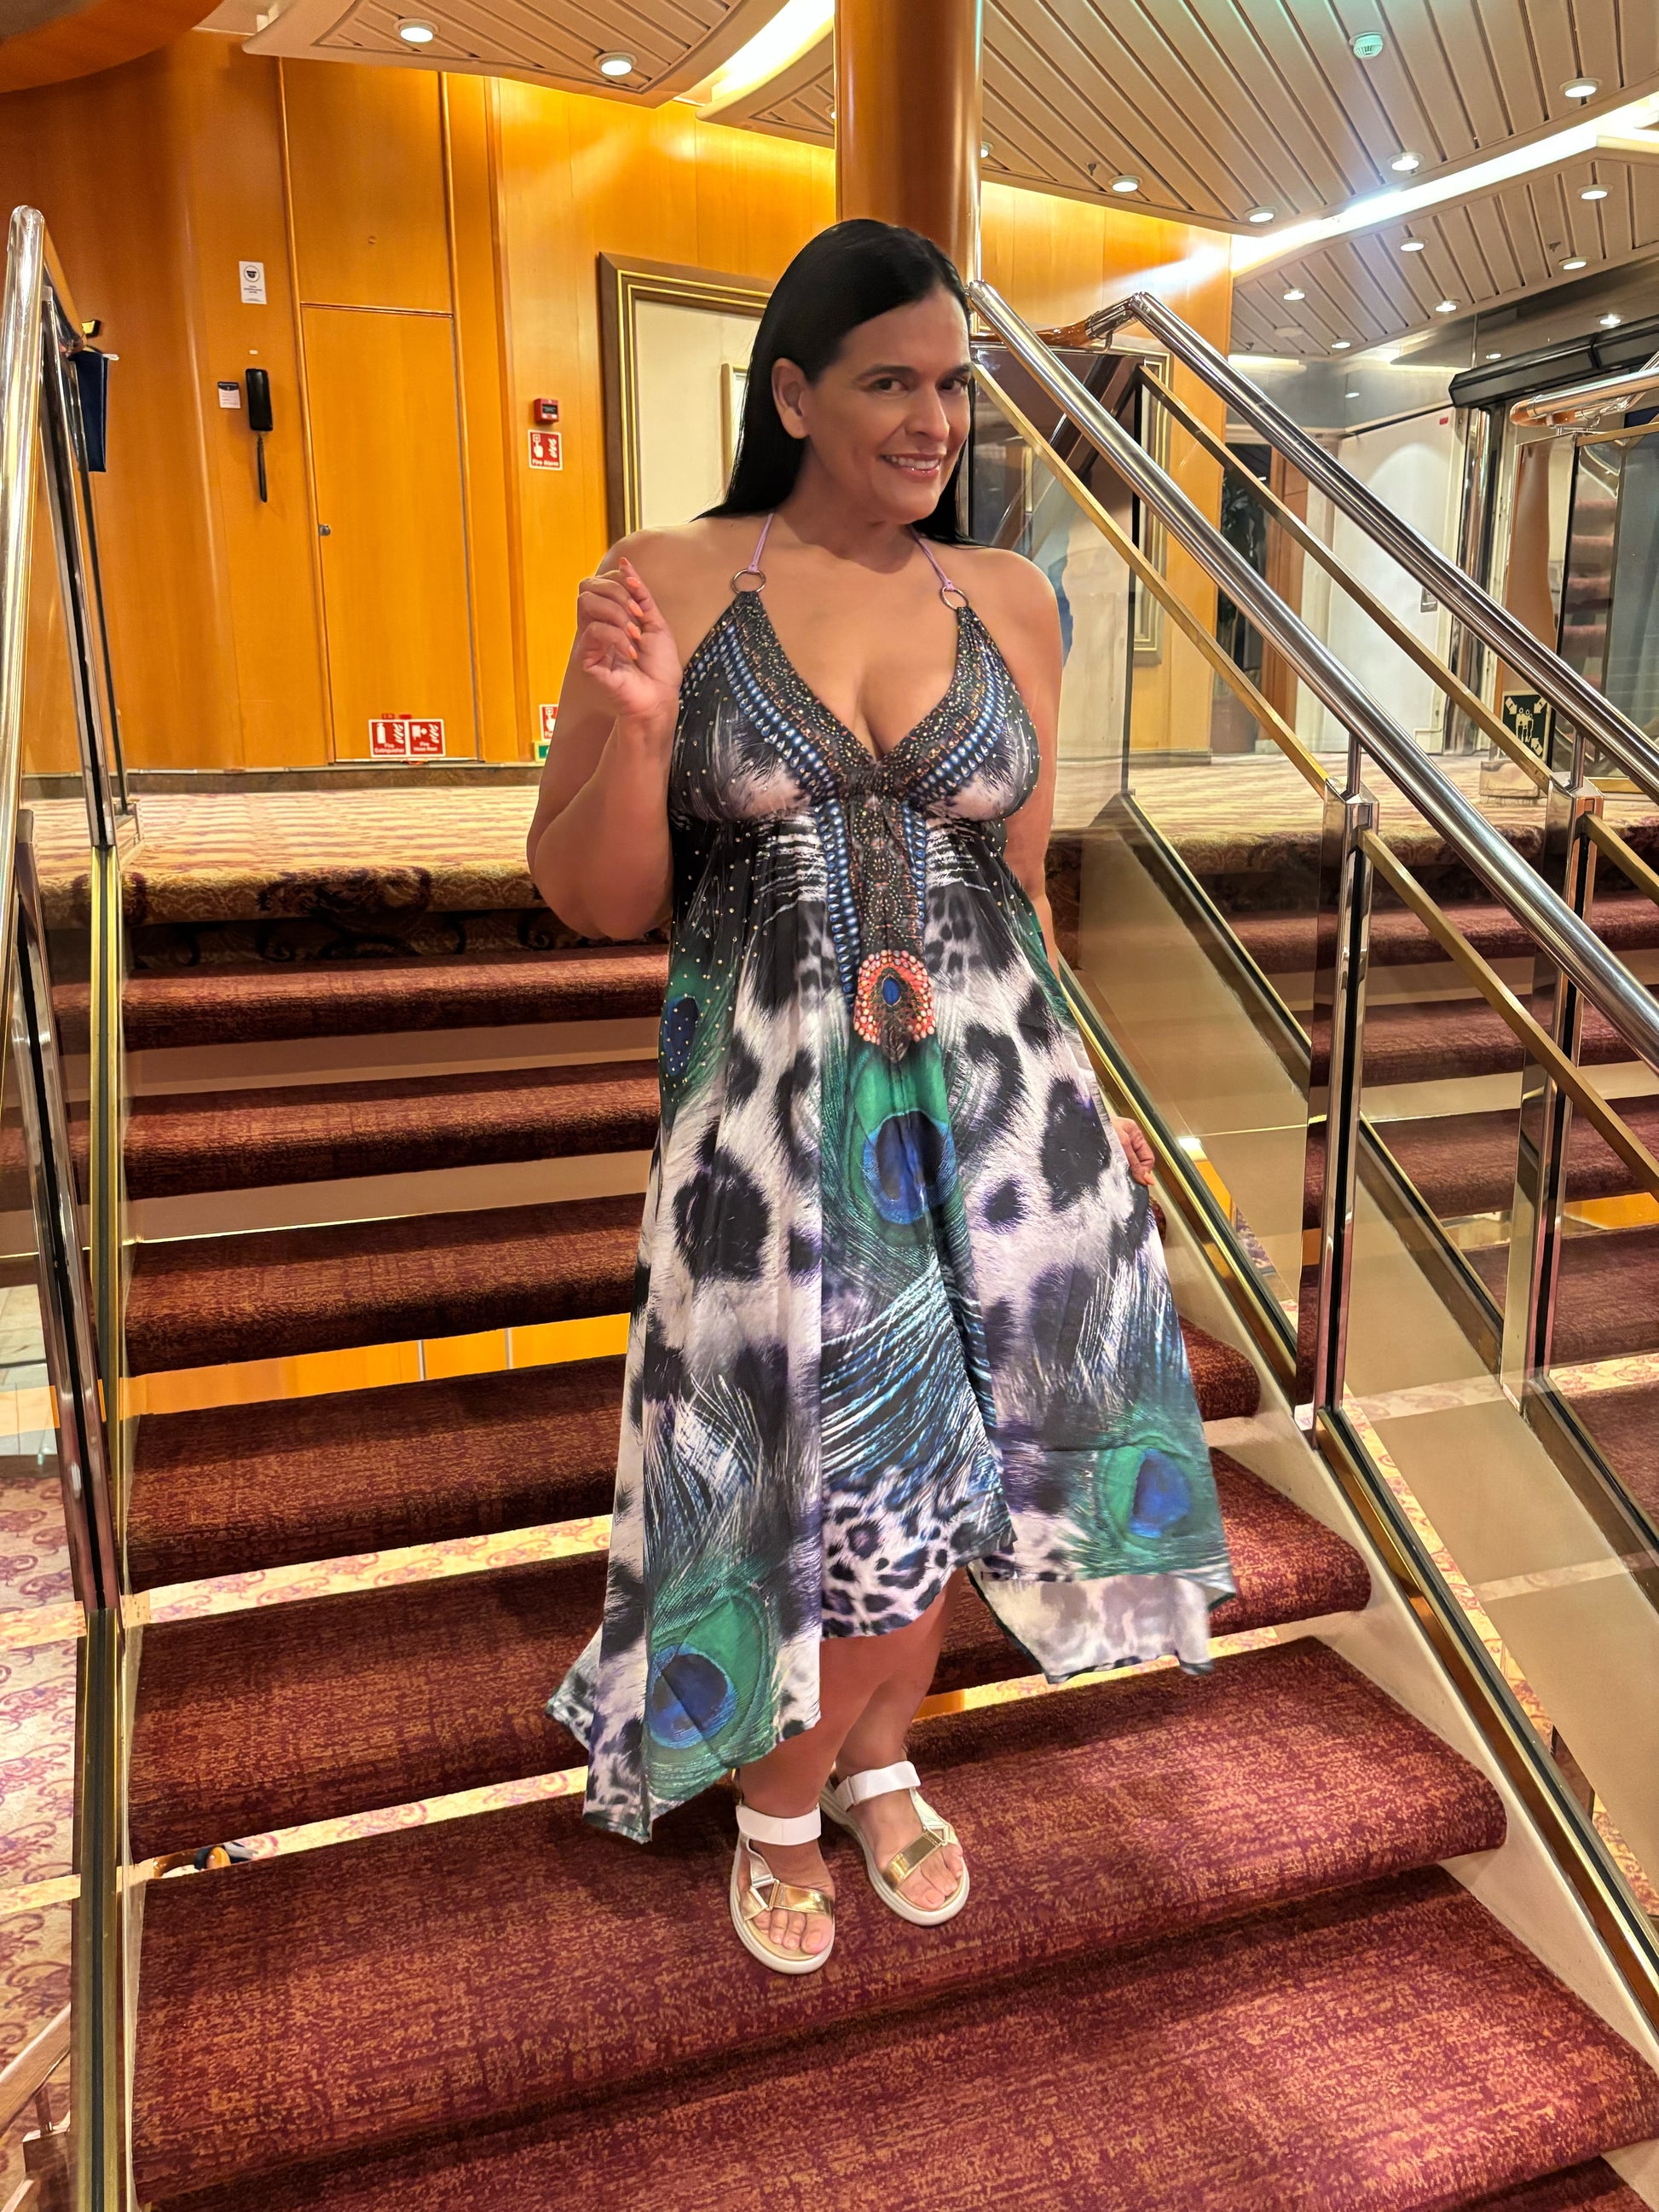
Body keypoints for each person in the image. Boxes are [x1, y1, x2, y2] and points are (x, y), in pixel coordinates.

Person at [528, 219, 1234, 1976]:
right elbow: (593, 898)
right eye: (888, 383)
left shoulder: (1006, 598)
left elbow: (1025, 882)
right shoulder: (669, 576)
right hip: (768, 1132)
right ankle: (778, 1798)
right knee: (805, 1455)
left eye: (953, 386)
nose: (934, 422)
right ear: (792, 395)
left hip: (996, 1115)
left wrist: (1093, 1089)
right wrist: (640, 727)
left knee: (955, 1450)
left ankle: (879, 1757)